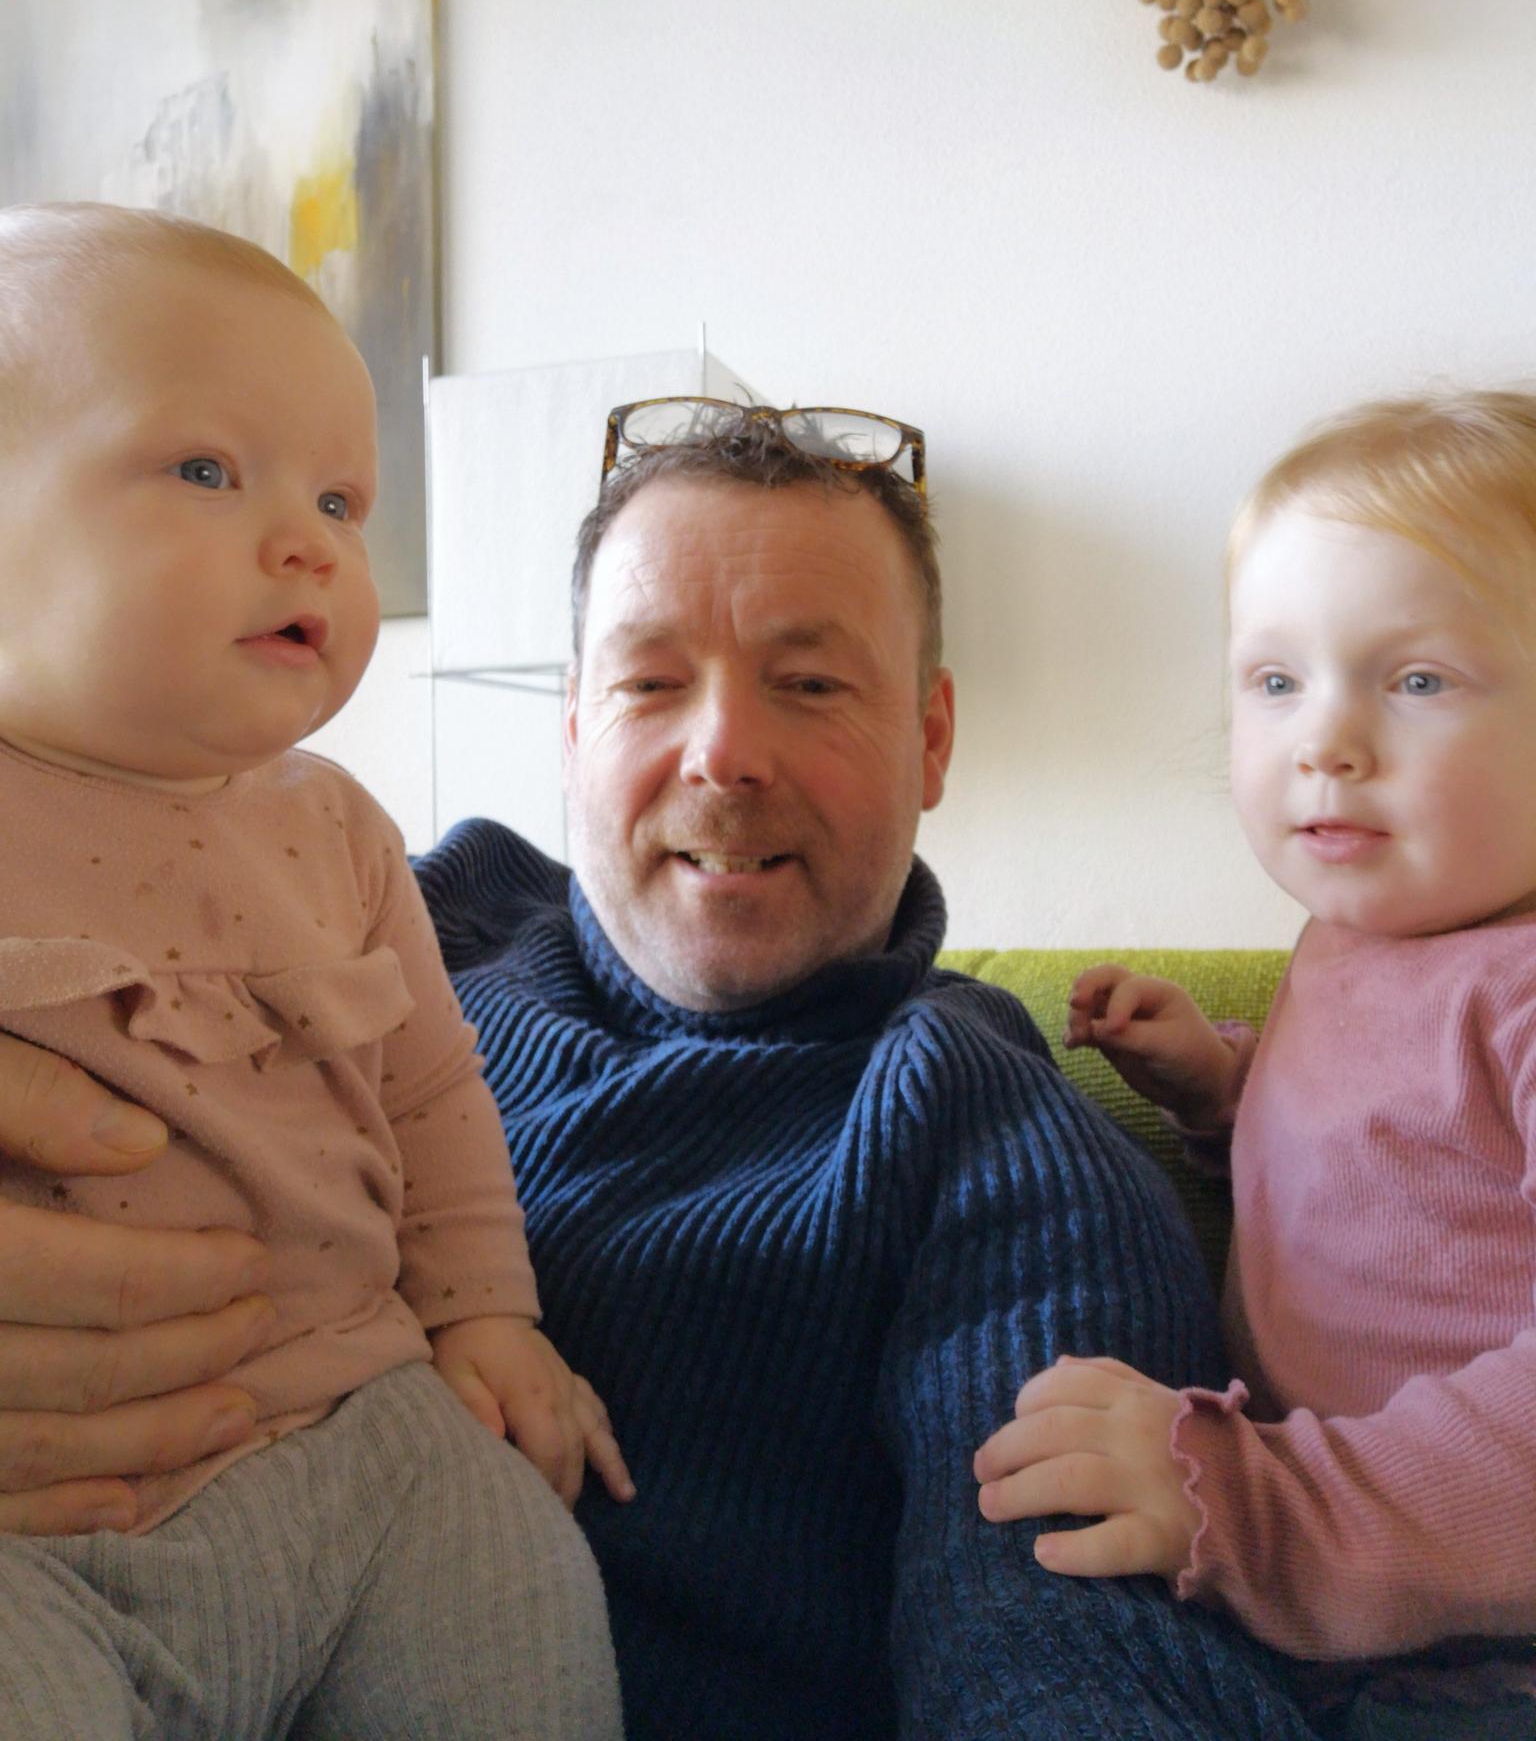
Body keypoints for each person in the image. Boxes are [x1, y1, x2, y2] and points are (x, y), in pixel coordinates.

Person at [0, 389, 1320, 1739]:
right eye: (648, 682)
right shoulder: (380, 921)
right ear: (575, 723)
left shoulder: (988, 1139)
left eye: (810, 684)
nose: (723, 754)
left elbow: (1068, 1652)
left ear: (930, 740)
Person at [0, 203, 623, 1740]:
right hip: (35, 1528)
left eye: (342, 499)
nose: (312, 543)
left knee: (515, 1577)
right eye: (208, 470)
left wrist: (488, 1314)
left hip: (364, 1435)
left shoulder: (342, 831)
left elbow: (434, 1094)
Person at [975, 389, 1536, 1737]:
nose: (1323, 741)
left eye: (1418, 680)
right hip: (1337, 1620)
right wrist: (1227, 1088)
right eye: (1276, 681)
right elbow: (1405, 1164)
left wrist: (1268, 1501)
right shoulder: (1354, 943)